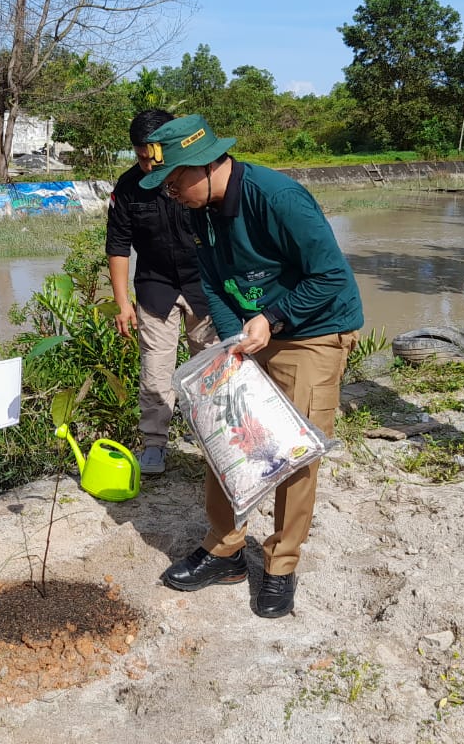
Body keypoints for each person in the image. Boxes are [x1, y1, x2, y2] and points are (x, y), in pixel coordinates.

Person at [139, 114, 363, 618]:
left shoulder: (277, 197)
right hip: (252, 330)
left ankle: (281, 566)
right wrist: (230, 336)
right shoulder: (199, 211)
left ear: (203, 165)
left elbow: (330, 274)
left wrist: (274, 316)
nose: (170, 193)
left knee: (294, 451)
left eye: (174, 182)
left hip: (314, 330)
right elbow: (213, 285)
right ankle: (225, 550)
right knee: (226, 432)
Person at [106, 108, 218, 476]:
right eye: (139, 157)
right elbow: (119, 246)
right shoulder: (126, 188)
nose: (146, 166)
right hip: (156, 288)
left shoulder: (196, 177)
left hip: (204, 285)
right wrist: (122, 303)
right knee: (155, 373)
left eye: (150, 156)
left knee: (211, 367)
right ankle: (154, 444)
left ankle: (214, 438)